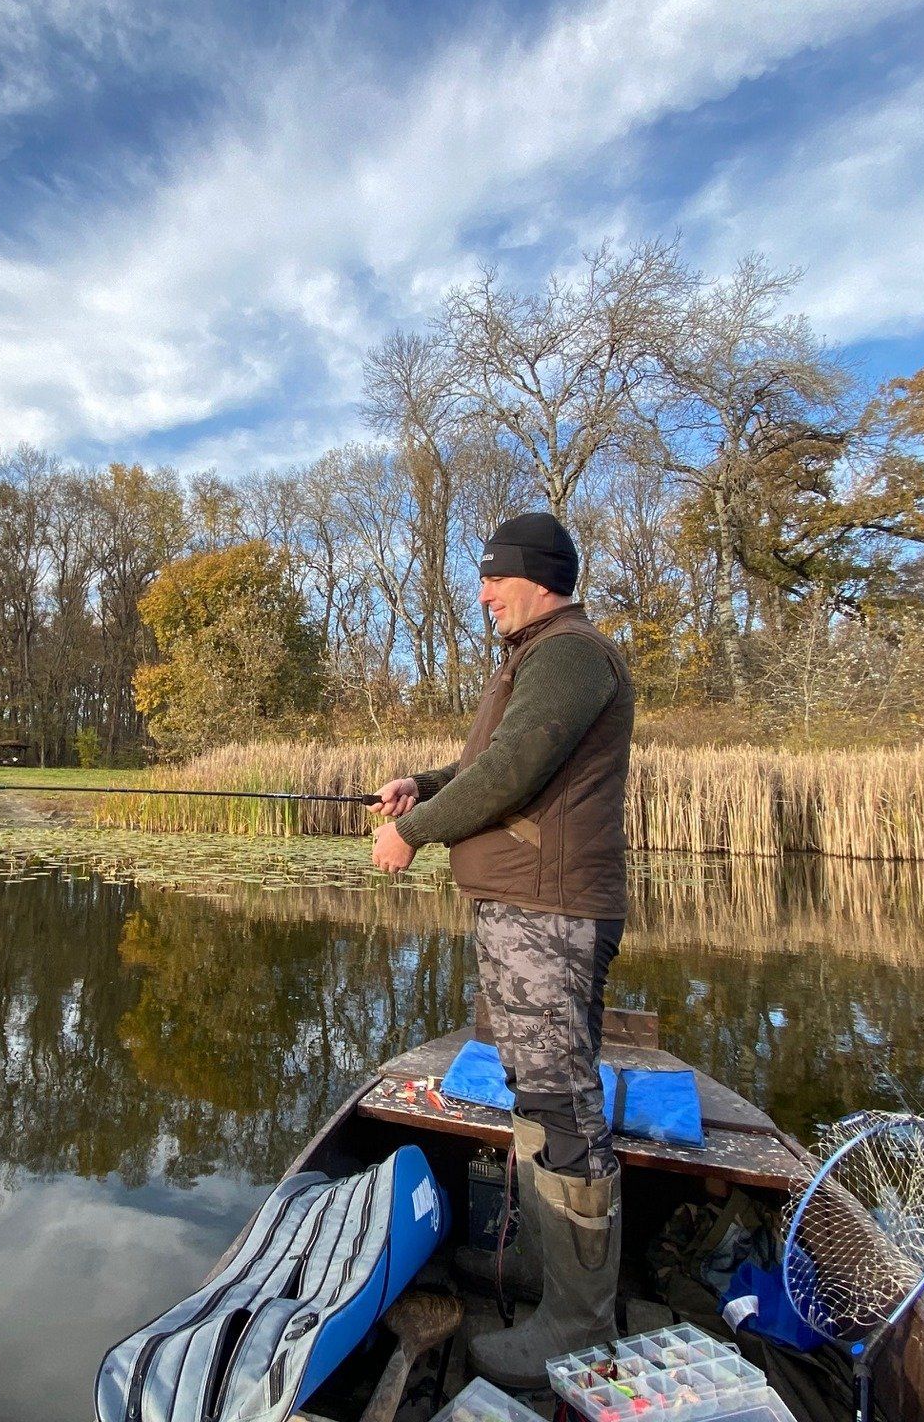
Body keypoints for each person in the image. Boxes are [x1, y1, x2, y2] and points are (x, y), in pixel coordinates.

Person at [369, 511, 634, 1390]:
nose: (481, 594)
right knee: (538, 1086)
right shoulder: (539, 655)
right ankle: (549, 1271)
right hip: (526, 909)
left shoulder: (569, 653)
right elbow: (491, 763)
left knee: (559, 1102)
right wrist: (425, 784)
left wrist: (416, 829)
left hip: (547, 912)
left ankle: (577, 1322)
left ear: (540, 576)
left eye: (493, 578)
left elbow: (515, 770)